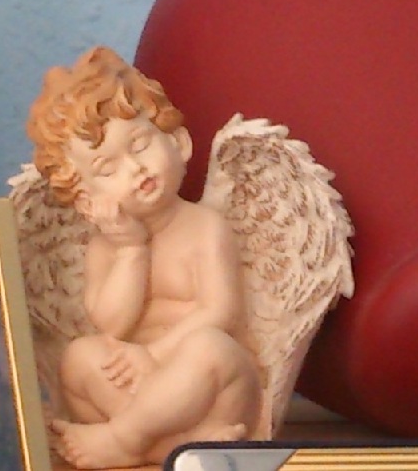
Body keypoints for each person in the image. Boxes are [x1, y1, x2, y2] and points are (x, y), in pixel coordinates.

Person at [26, 46, 262, 469]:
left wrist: (154, 355)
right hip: (140, 389)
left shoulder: (204, 227)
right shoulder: (104, 248)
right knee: (79, 357)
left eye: (139, 145)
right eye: (107, 169)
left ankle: (124, 438)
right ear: (86, 201)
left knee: (209, 347)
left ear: (177, 142)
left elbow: (221, 311)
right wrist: (131, 250)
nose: (135, 169)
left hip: (212, 391)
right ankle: (171, 447)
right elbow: (112, 326)